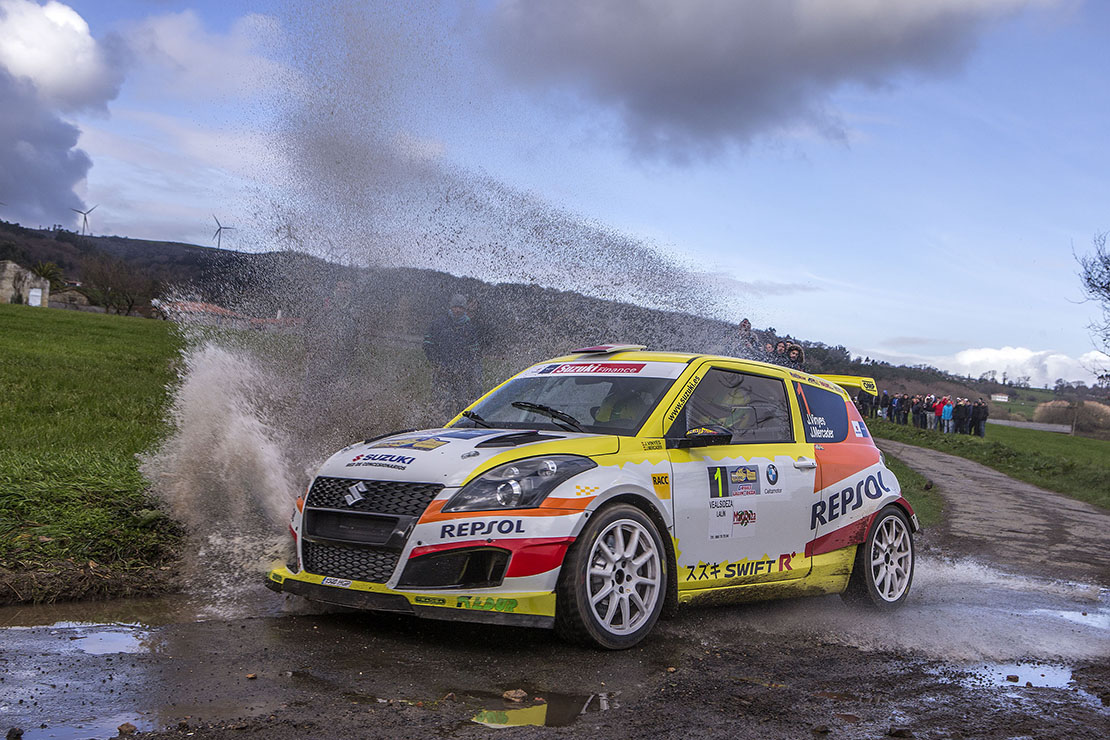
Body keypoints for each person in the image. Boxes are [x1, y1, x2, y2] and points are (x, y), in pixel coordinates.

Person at [423, 294, 481, 410]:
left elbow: (474, 352)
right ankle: (442, 426)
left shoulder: (470, 328)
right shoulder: (438, 324)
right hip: (442, 372)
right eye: (455, 307)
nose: (458, 310)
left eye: (461, 307)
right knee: (442, 403)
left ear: (465, 309)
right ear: (450, 307)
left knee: (462, 404)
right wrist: (437, 363)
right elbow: (427, 345)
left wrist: (469, 370)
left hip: (462, 374)